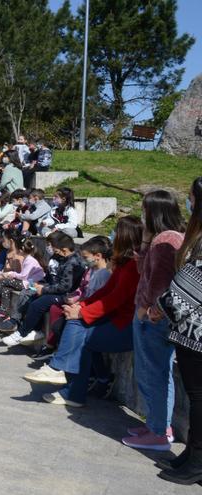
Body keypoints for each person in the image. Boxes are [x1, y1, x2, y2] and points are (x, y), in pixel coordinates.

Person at [23, 216, 142, 409]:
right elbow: (105, 292)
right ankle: (69, 387)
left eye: (116, 231)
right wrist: (81, 307)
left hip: (127, 325)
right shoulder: (125, 263)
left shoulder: (132, 266)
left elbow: (114, 299)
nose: (113, 235)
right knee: (77, 325)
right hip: (116, 319)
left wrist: (81, 312)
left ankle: (60, 373)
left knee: (80, 331)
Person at [123, 190, 185, 452]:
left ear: (155, 212)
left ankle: (158, 432)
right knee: (157, 373)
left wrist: (145, 309)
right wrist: (145, 241)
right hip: (156, 315)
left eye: (144, 209)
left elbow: (158, 280)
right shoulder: (162, 238)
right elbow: (143, 270)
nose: (141, 213)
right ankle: (158, 426)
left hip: (153, 317)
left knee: (153, 374)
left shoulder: (166, 240)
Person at [156, 177, 202, 484]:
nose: (189, 203)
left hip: (196, 331)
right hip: (191, 330)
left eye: (192, 198)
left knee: (200, 398)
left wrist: (162, 303)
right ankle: (192, 453)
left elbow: (190, 284)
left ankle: (198, 461)